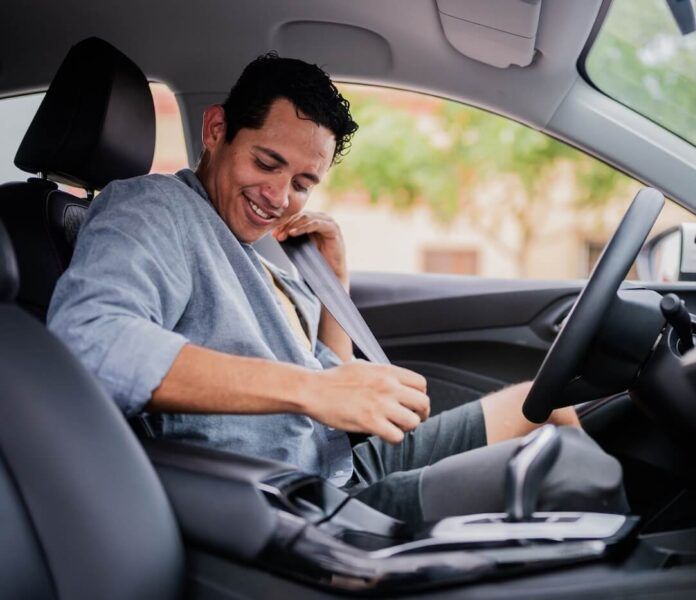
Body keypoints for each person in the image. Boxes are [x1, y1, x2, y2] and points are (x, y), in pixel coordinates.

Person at [48, 53, 627, 526]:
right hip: (294, 506)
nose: (278, 197)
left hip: (338, 461)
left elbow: (324, 379)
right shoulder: (152, 211)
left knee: (547, 411)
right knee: (566, 470)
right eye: (266, 163)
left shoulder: (251, 245)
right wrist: (308, 391)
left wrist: (333, 285)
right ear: (216, 130)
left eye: (303, 182)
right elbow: (90, 343)